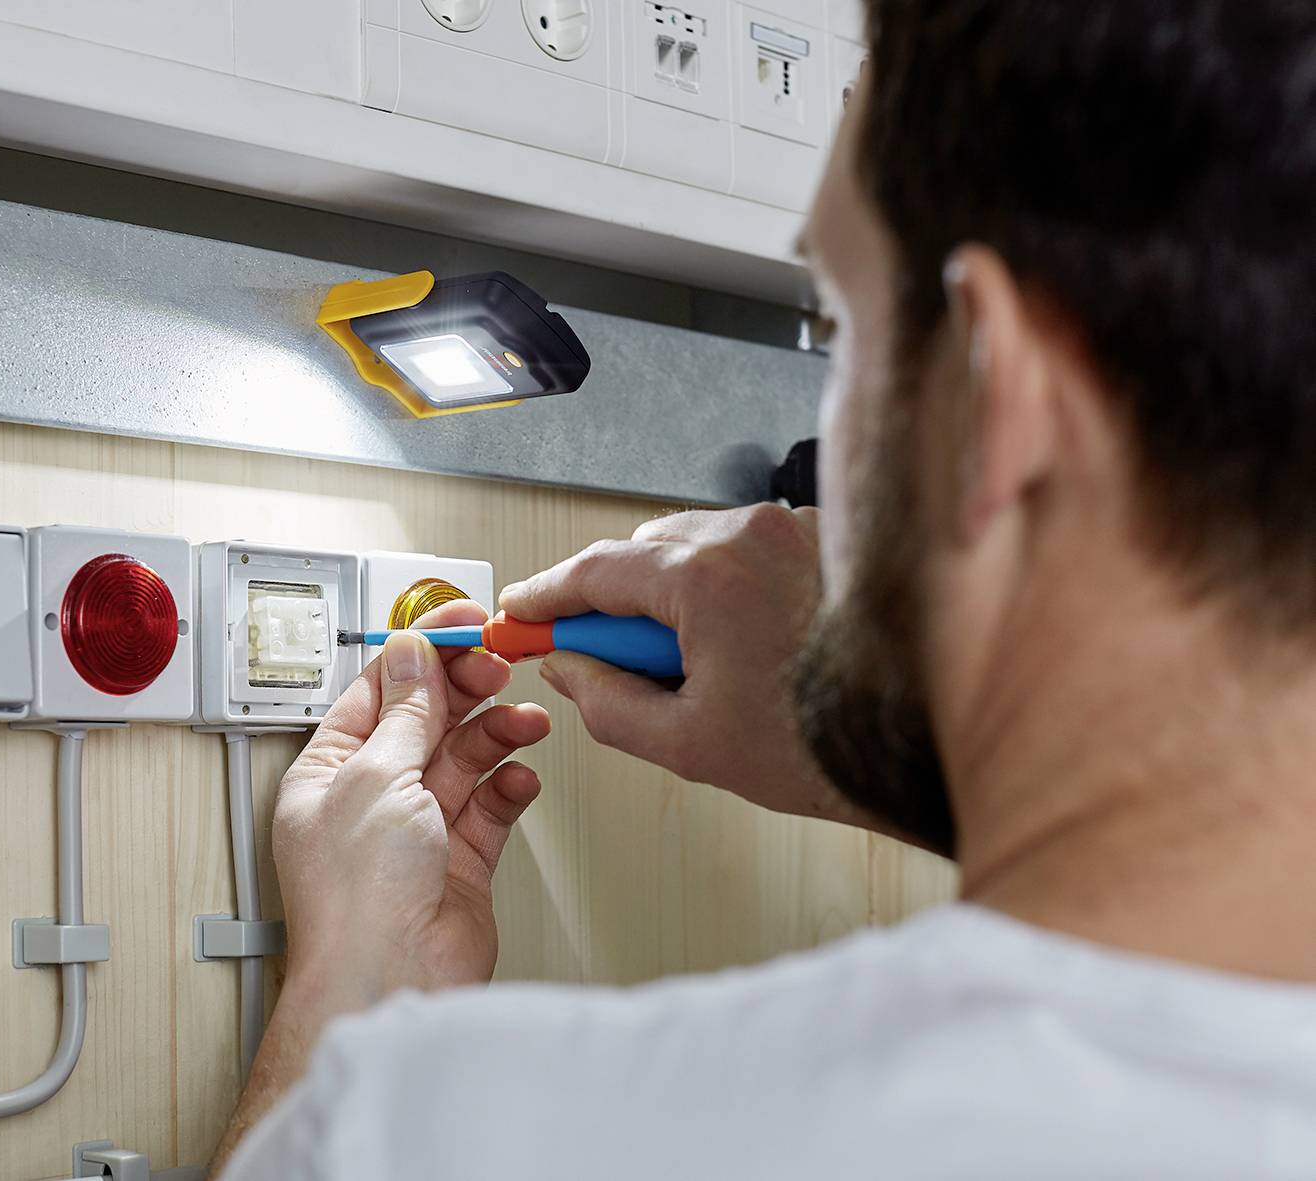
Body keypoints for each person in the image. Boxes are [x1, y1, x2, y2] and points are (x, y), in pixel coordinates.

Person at [214, 0, 1316, 1175]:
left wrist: (353, 977)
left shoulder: (461, 1128)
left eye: (841, 328)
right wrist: (895, 752)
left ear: (998, 399)